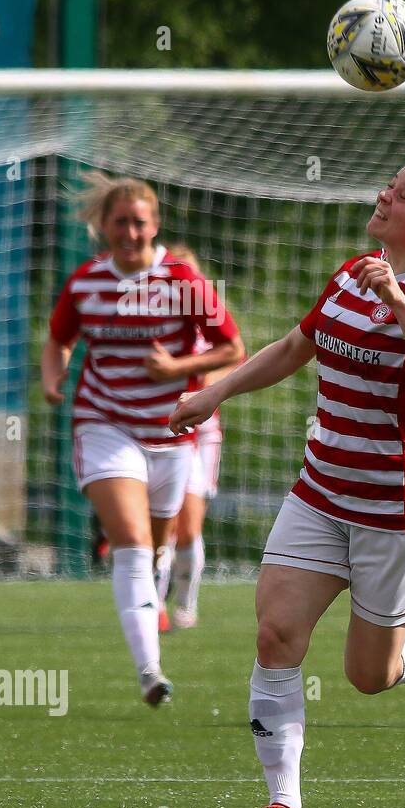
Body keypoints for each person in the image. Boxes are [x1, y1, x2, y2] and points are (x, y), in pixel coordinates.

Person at [170, 150, 405, 808]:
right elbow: (297, 346)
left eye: (404, 191)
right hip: (320, 492)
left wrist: (399, 301)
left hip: (399, 513)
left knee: (369, 676)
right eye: (392, 182)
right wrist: (216, 391)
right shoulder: (354, 271)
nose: (386, 193)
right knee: (275, 634)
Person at [41, 172, 244, 706]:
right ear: (103, 226)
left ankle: (175, 606)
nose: (130, 232)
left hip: (172, 434)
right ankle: (150, 671)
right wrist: (53, 375)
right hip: (104, 424)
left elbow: (232, 350)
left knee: (158, 547)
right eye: (120, 222)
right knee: (130, 545)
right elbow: (58, 338)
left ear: (155, 226)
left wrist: (178, 365)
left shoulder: (182, 280)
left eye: (139, 223)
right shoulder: (85, 281)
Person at [151, 244, 238, 630]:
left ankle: (186, 603)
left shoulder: (209, 322)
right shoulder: (151, 324)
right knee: (161, 522)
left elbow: (235, 360)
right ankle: (153, 606)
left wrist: (202, 389)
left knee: (188, 525)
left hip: (201, 435)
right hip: (158, 431)